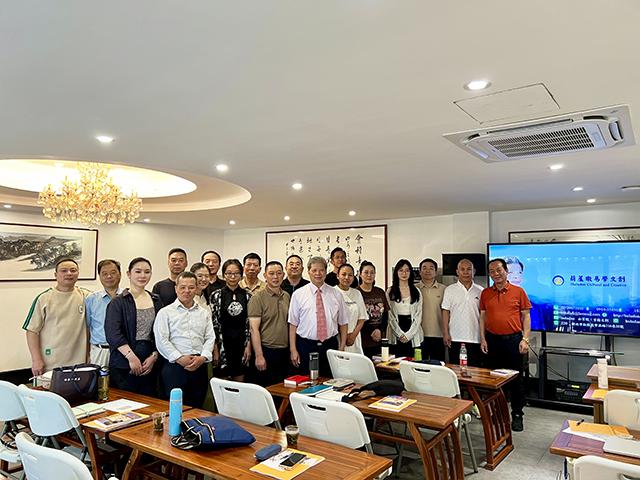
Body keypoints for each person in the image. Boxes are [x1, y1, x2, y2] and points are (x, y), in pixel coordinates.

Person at [480, 258, 532, 432]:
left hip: (513, 341)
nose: (496, 274)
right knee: (494, 379)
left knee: (516, 379)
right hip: (492, 341)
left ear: (506, 271)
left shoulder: (519, 291)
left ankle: (517, 414)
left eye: (499, 270)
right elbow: (482, 317)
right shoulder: (486, 293)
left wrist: (525, 339)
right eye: (492, 271)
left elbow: (526, 316)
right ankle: (498, 412)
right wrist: (483, 339)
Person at [154, 272, 215, 408]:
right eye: (182, 287)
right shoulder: (165, 312)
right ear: (176, 289)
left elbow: (210, 337)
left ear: (196, 289)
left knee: (197, 407)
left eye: (191, 287)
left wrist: (203, 357)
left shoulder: (204, 313)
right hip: (174, 366)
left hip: (199, 365)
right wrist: (179, 358)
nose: (187, 291)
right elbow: (161, 339)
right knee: (173, 407)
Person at [105, 257, 164, 396]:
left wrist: (154, 356)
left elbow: (161, 331)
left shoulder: (156, 300)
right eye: (138, 271)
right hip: (123, 361)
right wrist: (131, 357)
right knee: (123, 402)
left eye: (147, 272)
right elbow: (113, 333)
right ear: (128, 274)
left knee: (149, 401)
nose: (143, 275)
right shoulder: (118, 302)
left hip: (149, 360)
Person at [24, 258, 91, 376]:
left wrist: (90, 354)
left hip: (79, 361)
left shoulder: (86, 296)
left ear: (78, 274)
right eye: (64, 271)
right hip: (50, 361)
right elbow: (32, 330)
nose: (69, 274)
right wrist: (36, 360)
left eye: (73, 270)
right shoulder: (44, 298)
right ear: (56, 275)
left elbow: (91, 327)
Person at [288, 256, 350, 377]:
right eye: (314, 270)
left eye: (321, 270)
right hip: (305, 346)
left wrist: (342, 347)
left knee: (329, 380)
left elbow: (343, 322)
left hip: (330, 345)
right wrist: (293, 350)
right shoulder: (298, 294)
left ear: (326, 272)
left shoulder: (336, 294)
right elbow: (293, 324)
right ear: (308, 272)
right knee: (306, 381)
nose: (318, 273)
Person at [248, 261, 290, 387]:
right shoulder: (257, 299)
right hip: (266, 351)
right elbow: (253, 329)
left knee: (281, 390)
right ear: (265, 276)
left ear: (283, 275)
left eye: (279, 273)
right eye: (271, 273)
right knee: (264, 390)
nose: (275, 277)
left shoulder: (287, 296)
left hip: (284, 352)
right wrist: (259, 356)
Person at [211, 259, 252, 381]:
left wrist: (248, 345)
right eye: (229, 273)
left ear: (241, 275)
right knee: (222, 385)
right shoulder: (216, 296)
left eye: (236, 273)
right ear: (224, 275)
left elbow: (250, 324)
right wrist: (215, 348)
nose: (232, 277)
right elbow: (213, 324)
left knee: (239, 385)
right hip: (223, 345)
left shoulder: (248, 296)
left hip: (241, 345)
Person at [442, 259, 484, 367]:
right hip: (455, 338)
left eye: (469, 269)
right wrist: (446, 333)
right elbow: (446, 312)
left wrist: (483, 337)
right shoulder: (449, 290)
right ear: (457, 272)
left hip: (475, 338)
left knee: (475, 371)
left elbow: (483, 316)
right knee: (456, 370)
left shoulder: (481, 291)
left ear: (474, 271)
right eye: (462, 269)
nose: (466, 272)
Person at [85, 259, 122, 367]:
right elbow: (88, 328)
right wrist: (87, 353)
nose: (109, 276)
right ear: (100, 277)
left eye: (113, 272)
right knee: (98, 378)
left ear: (120, 275)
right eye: (104, 273)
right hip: (99, 351)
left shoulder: (128, 297)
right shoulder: (91, 299)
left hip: (123, 351)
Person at [387, 259, 423, 358]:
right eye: (401, 270)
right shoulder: (390, 291)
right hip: (396, 330)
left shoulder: (416, 291)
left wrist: (409, 335)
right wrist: (399, 334)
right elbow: (390, 316)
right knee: (395, 363)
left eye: (407, 270)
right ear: (396, 272)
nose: (404, 273)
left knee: (413, 362)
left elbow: (418, 315)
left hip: (413, 330)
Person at [357, 261, 390, 359]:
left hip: (379, 339)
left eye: (372, 272)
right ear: (360, 274)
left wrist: (380, 330)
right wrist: (372, 331)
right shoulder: (356, 292)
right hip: (364, 339)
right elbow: (358, 317)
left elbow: (386, 314)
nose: (369, 275)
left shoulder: (380, 292)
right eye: (366, 272)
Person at [334, 264, 368, 354]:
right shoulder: (332, 292)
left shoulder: (357, 293)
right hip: (337, 339)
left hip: (354, 340)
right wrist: (344, 338)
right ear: (338, 276)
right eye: (343, 274)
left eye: (350, 275)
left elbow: (362, 318)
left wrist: (353, 335)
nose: (347, 277)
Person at [416, 258, 446, 361]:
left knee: (438, 365)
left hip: (438, 334)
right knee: (419, 365)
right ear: (420, 272)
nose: (427, 271)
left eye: (431, 268)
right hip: (418, 334)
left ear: (436, 272)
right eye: (424, 268)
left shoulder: (444, 289)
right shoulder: (414, 289)